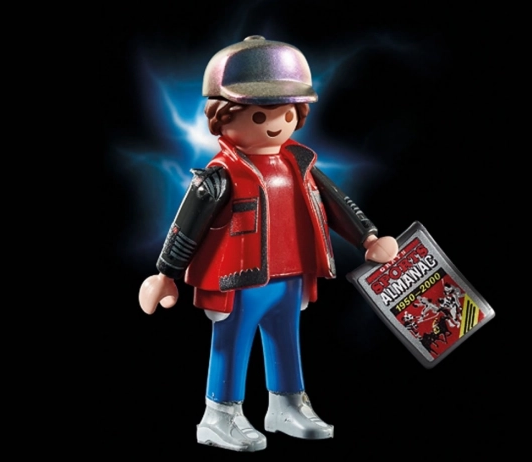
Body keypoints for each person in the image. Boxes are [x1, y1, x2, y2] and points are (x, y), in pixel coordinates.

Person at [139, 35, 398, 452]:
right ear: (222, 116)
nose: (275, 124)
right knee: (231, 344)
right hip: (239, 279)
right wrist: (165, 273)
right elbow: (187, 226)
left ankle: (287, 405)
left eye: (286, 113)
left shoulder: (299, 164)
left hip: (291, 275)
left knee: (286, 342)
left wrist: (367, 236)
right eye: (259, 115)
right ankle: (219, 415)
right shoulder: (221, 176)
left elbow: (335, 204)